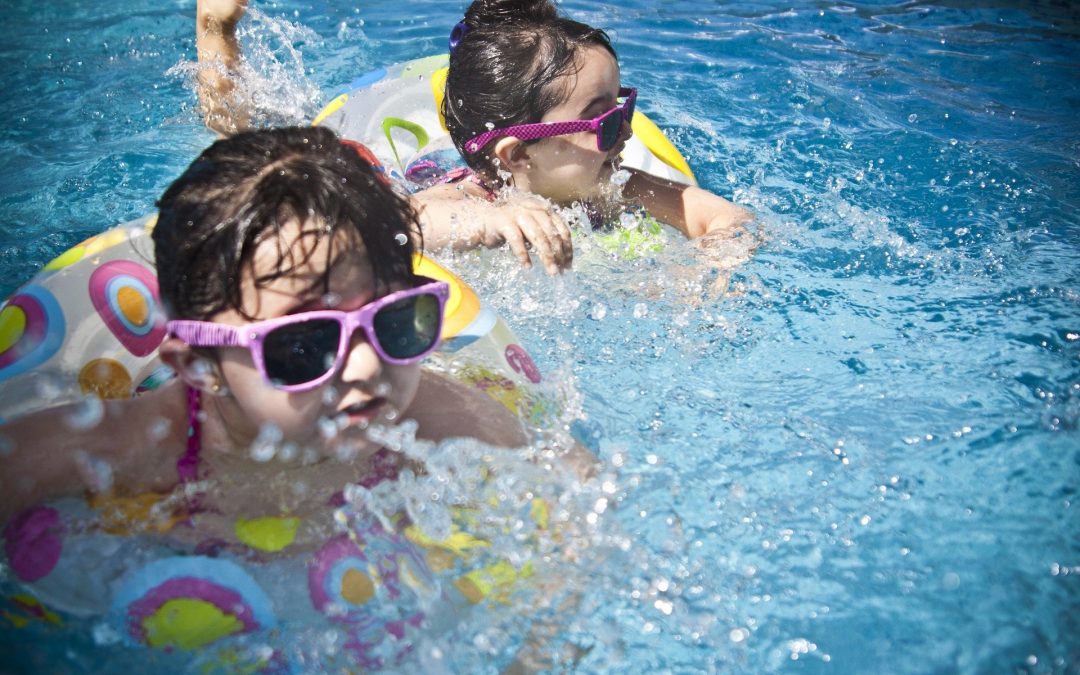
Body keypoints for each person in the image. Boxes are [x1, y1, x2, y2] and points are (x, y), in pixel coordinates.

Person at [0, 126, 528, 529]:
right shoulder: (115, 454)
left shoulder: (441, 423)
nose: (368, 366)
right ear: (198, 364)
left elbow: (570, 500)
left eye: (394, 322)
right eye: (304, 344)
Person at [194, 0, 753, 276]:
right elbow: (387, 234)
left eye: (624, 110)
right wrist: (482, 222)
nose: (625, 135)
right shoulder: (469, 198)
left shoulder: (619, 185)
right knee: (251, 147)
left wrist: (708, 271)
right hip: (414, 171)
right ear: (516, 154)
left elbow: (726, 218)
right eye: (604, 122)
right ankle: (216, 31)